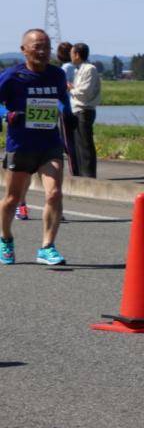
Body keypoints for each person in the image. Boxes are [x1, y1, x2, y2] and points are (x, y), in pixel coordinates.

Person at [0, 29, 76, 266]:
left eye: (46, 46)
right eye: (37, 47)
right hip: (21, 144)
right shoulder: (12, 76)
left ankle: (47, 247)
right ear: (24, 49)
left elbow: (62, 99)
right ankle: (6, 239)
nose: (42, 52)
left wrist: (68, 113)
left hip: (49, 144)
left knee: (54, 193)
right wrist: (8, 115)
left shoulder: (56, 75)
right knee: (12, 198)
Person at [68, 42, 100, 178]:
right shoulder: (78, 69)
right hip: (77, 109)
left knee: (85, 144)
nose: (70, 56)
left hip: (84, 110)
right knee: (79, 144)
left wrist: (71, 88)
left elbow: (85, 91)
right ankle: (81, 172)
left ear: (77, 54)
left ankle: (88, 174)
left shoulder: (89, 69)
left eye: (72, 53)